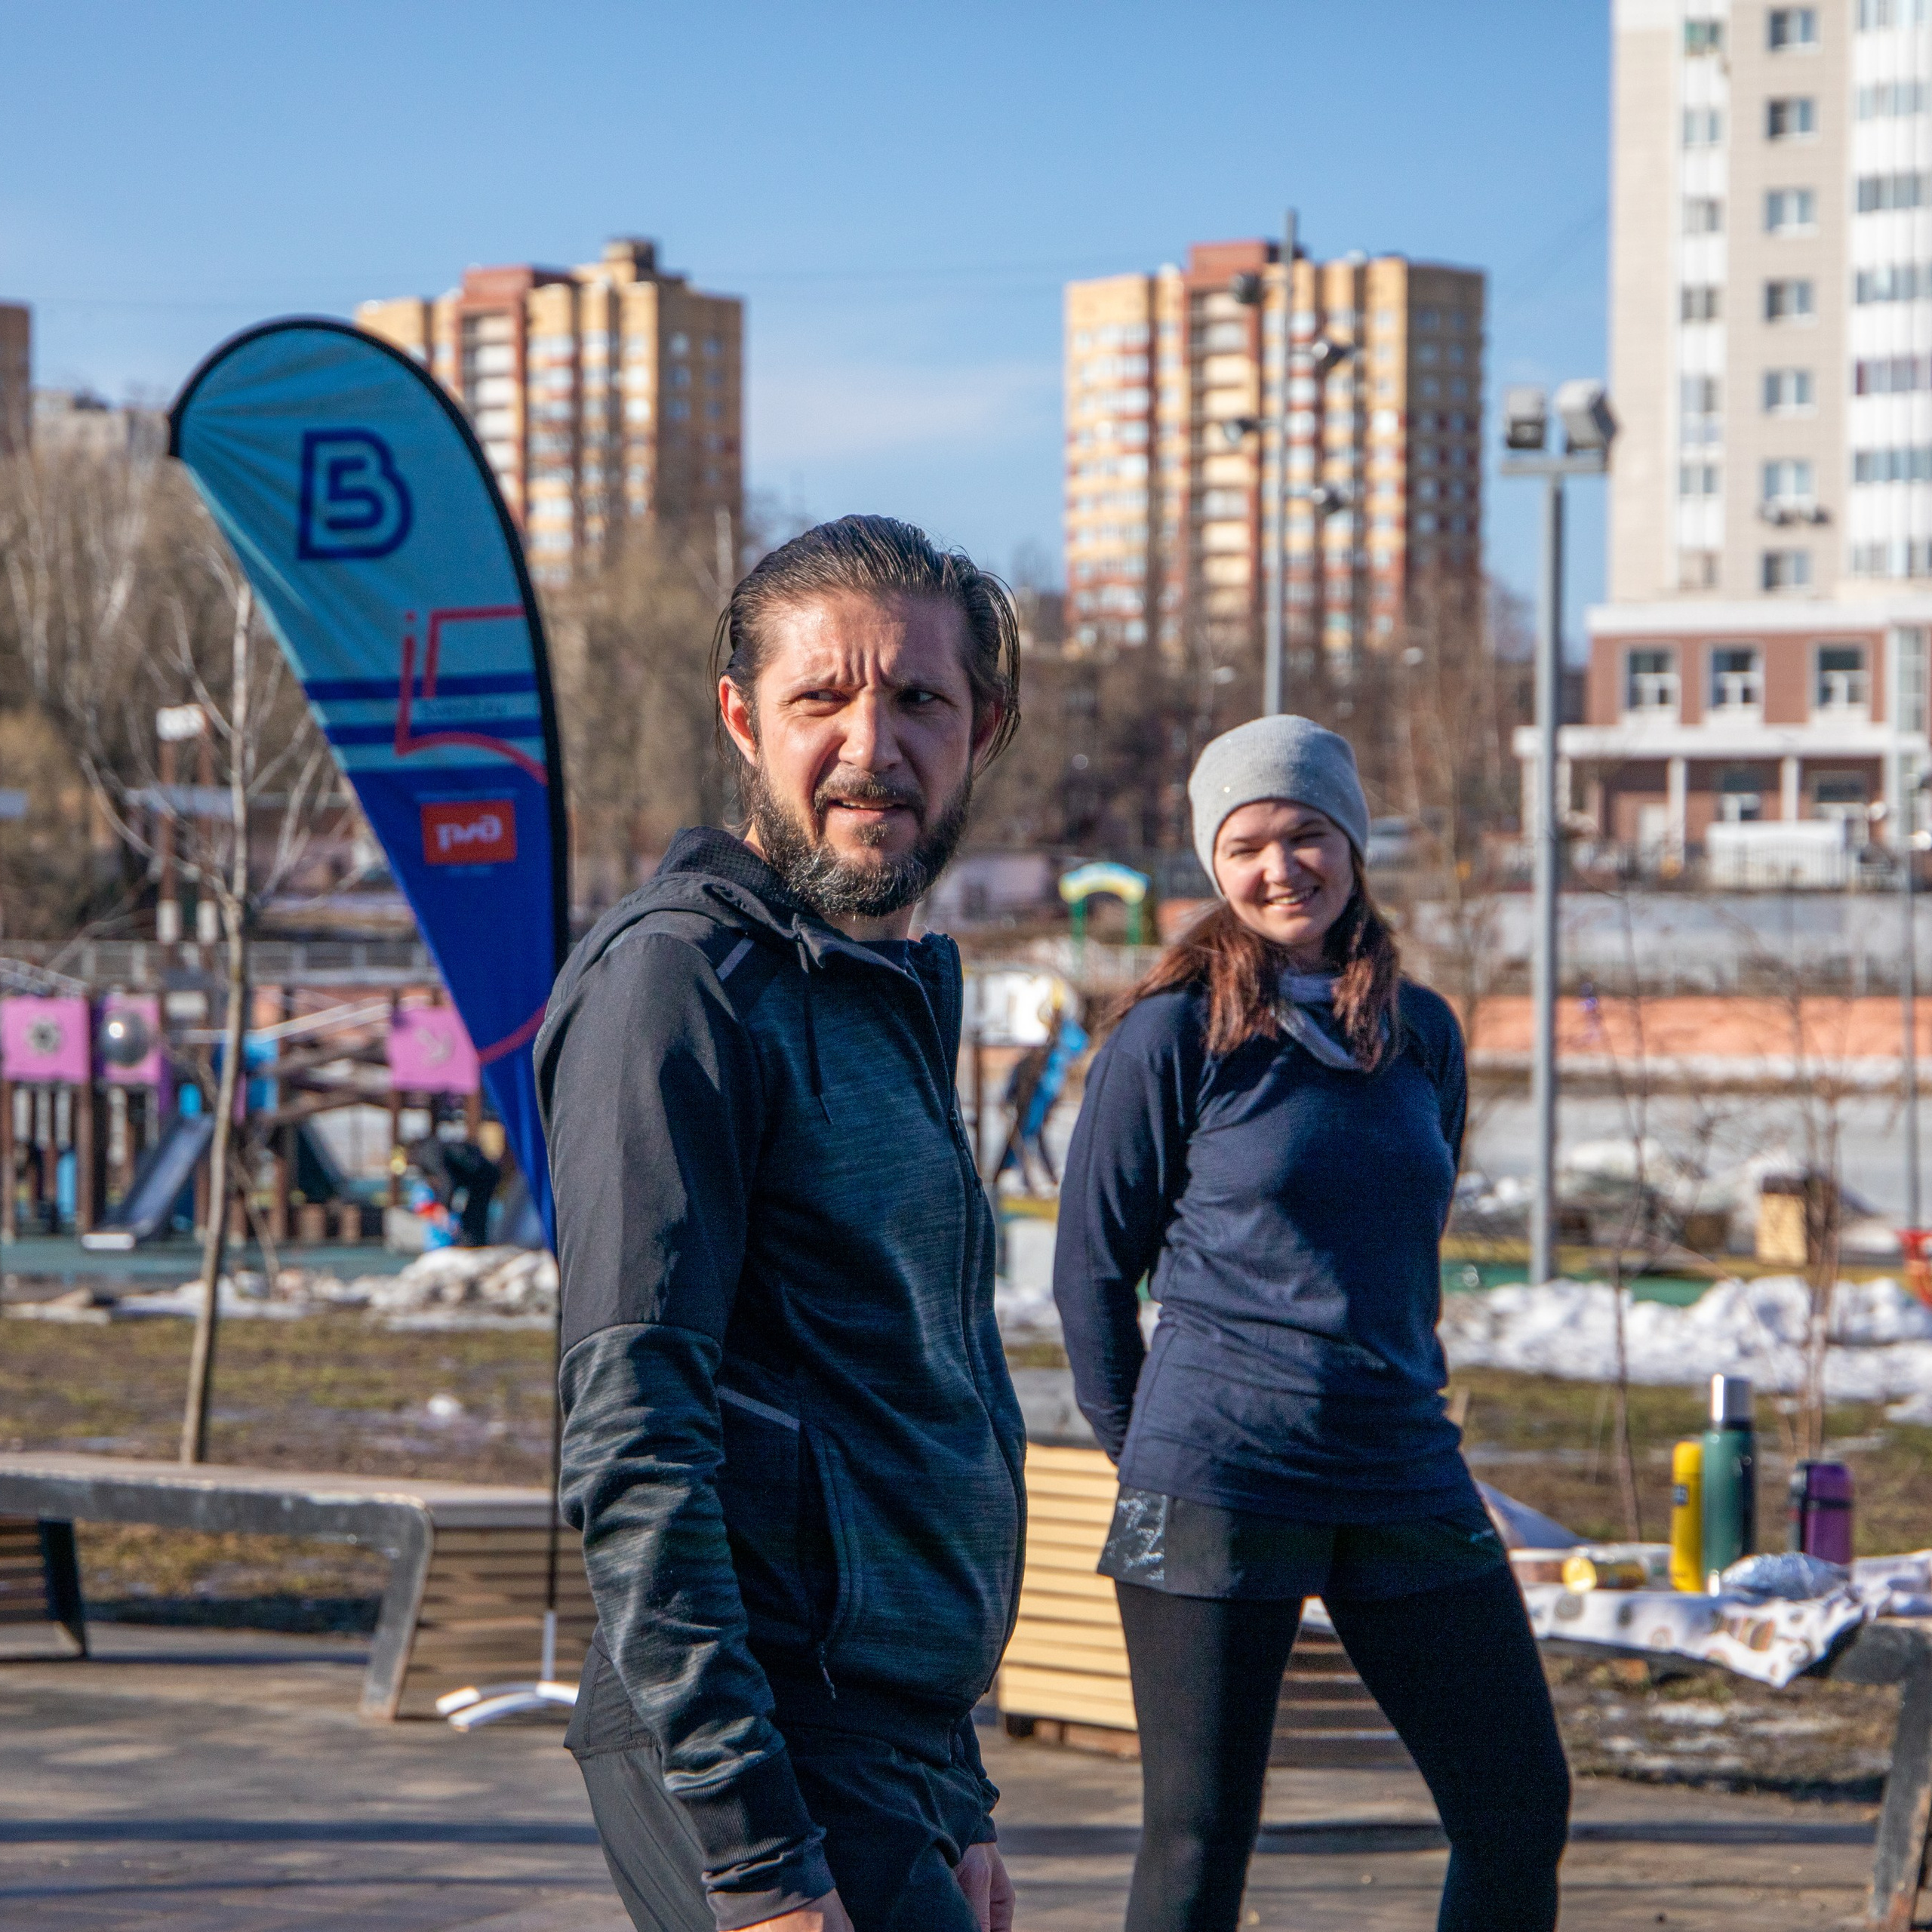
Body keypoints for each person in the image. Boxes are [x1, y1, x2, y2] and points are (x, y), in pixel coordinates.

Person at [536, 516, 1026, 1932]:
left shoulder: (886, 995)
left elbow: (904, 1402)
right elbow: (634, 1433)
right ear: (743, 720)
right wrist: (754, 1852)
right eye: (825, 698)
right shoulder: (679, 988)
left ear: (979, 728)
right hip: (756, 1748)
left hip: (892, 1751)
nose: (874, 745)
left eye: (919, 700)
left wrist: (959, 1792)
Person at [1052, 715, 1570, 1932]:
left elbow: (1400, 1256)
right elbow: (1090, 1279)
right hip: (1219, 1471)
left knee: (1517, 1807)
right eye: (1246, 844)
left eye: (1304, 833)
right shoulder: (1171, 1035)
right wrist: (1158, 1457)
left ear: (1351, 841)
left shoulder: (1422, 1033)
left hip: (1400, 1467)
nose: (1279, 866)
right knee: (1200, 1837)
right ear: (1212, 867)